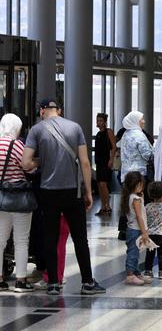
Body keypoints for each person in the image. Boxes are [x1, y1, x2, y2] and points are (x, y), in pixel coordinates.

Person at [21, 98, 105, 295]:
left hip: (48, 192)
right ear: (58, 110)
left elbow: (25, 163)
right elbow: (85, 162)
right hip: (72, 192)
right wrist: (88, 192)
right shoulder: (75, 127)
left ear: (42, 111)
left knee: (50, 238)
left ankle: (53, 283)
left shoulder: (36, 130)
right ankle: (87, 282)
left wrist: (42, 161)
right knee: (80, 238)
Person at [0, 114, 34, 292]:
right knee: (21, 240)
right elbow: (28, 166)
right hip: (20, 197)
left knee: (0, 240)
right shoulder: (18, 145)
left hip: (1, 198)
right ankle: (21, 280)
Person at [118, 111, 153, 241]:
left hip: (126, 173)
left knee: (126, 202)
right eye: (142, 119)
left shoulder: (126, 134)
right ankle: (140, 228)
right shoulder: (139, 135)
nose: (143, 121)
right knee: (139, 202)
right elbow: (147, 154)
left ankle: (123, 230)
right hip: (138, 173)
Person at [120, 171, 152, 286]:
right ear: (135, 185)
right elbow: (139, 216)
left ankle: (136, 273)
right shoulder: (136, 199)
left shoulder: (130, 197)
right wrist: (144, 232)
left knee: (135, 252)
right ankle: (130, 275)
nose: (142, 187)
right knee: (133, 253)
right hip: (136, 230)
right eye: (140, 185)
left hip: (132, 229)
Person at [143, 181, 162, 280]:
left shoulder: (147, 207)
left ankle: (148, 271)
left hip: (150, 234)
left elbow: (144, 218)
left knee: (149, 254)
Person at [94, 113, 116, 215]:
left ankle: (108, 206)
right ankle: (103, 206)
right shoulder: (98, 134)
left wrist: (111, 160)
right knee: (99, 184)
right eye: (98, 120)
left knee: (103, 184)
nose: (99, 122)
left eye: (101, 120)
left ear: (105, 122)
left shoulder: (109, 132)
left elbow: (114, 147)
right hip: (99, 162)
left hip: (106, 161)